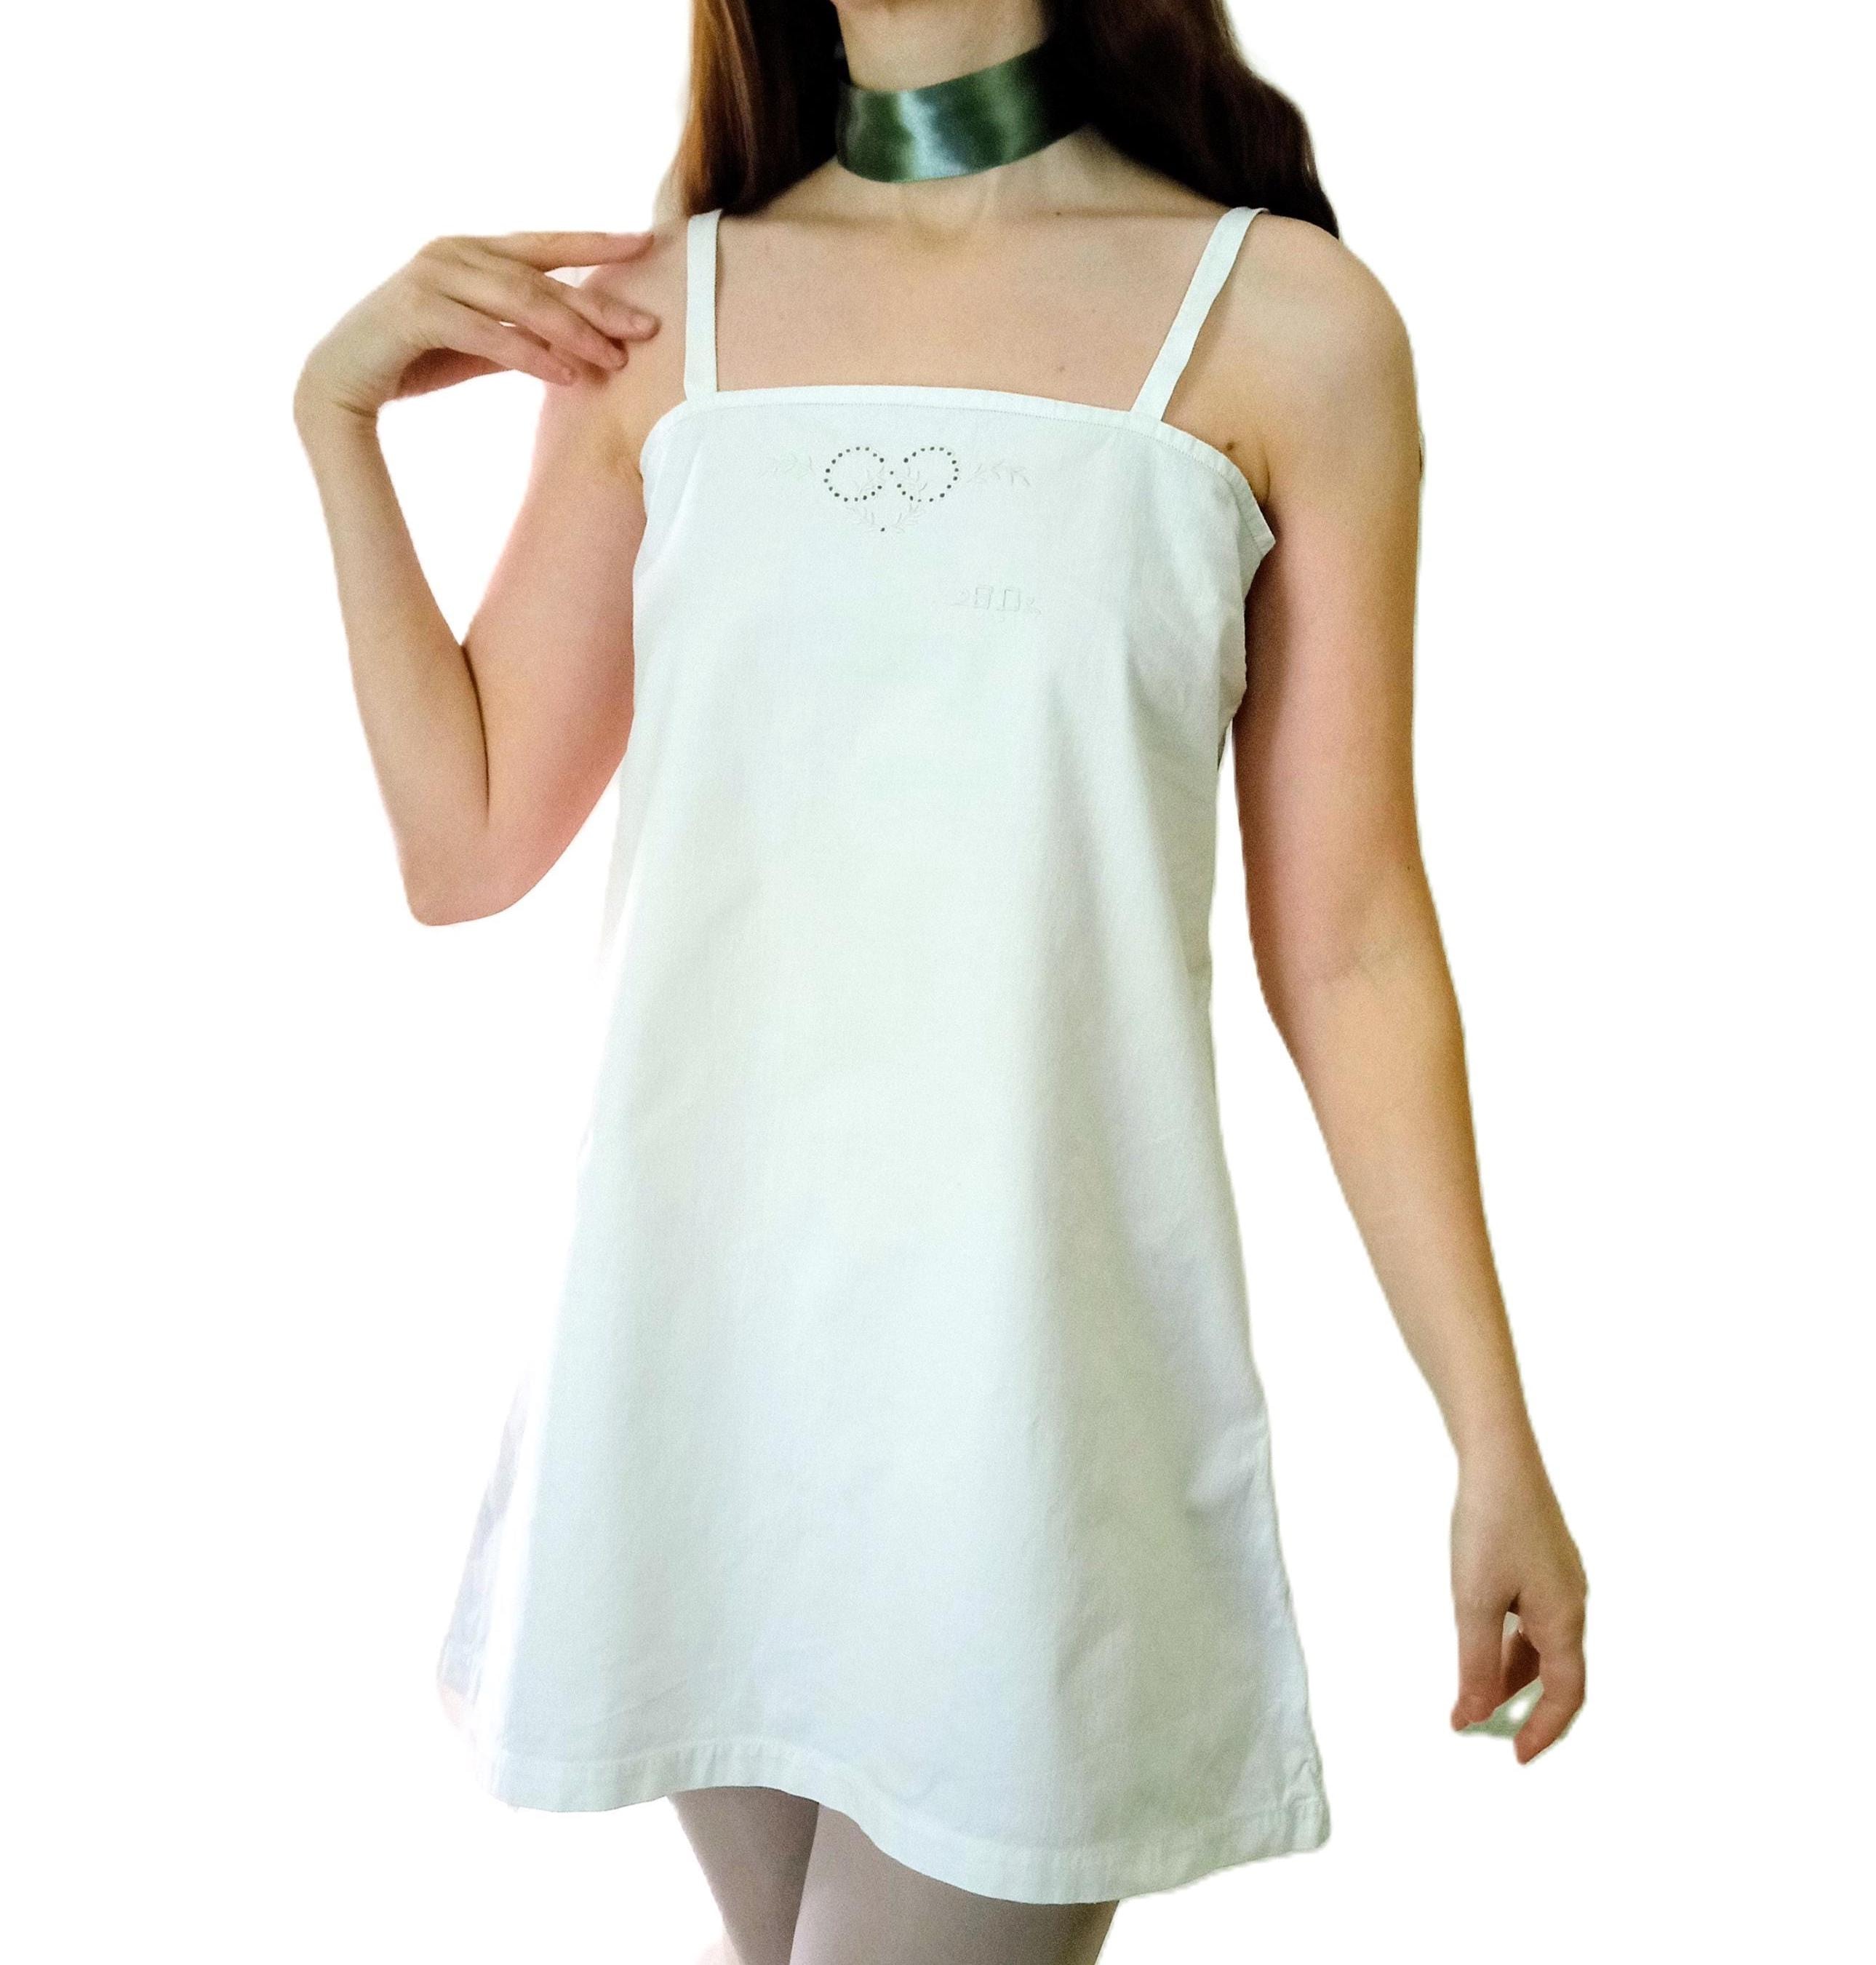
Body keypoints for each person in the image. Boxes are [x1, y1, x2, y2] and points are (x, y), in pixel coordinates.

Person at [293, 3, 1588, 1960]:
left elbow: (1348, 939)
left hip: (1032, 1390)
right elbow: (463, 844)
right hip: (697, 1363)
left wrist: (1488, 1433)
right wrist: (337, 426)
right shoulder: (663, 319)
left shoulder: (1288, 325)